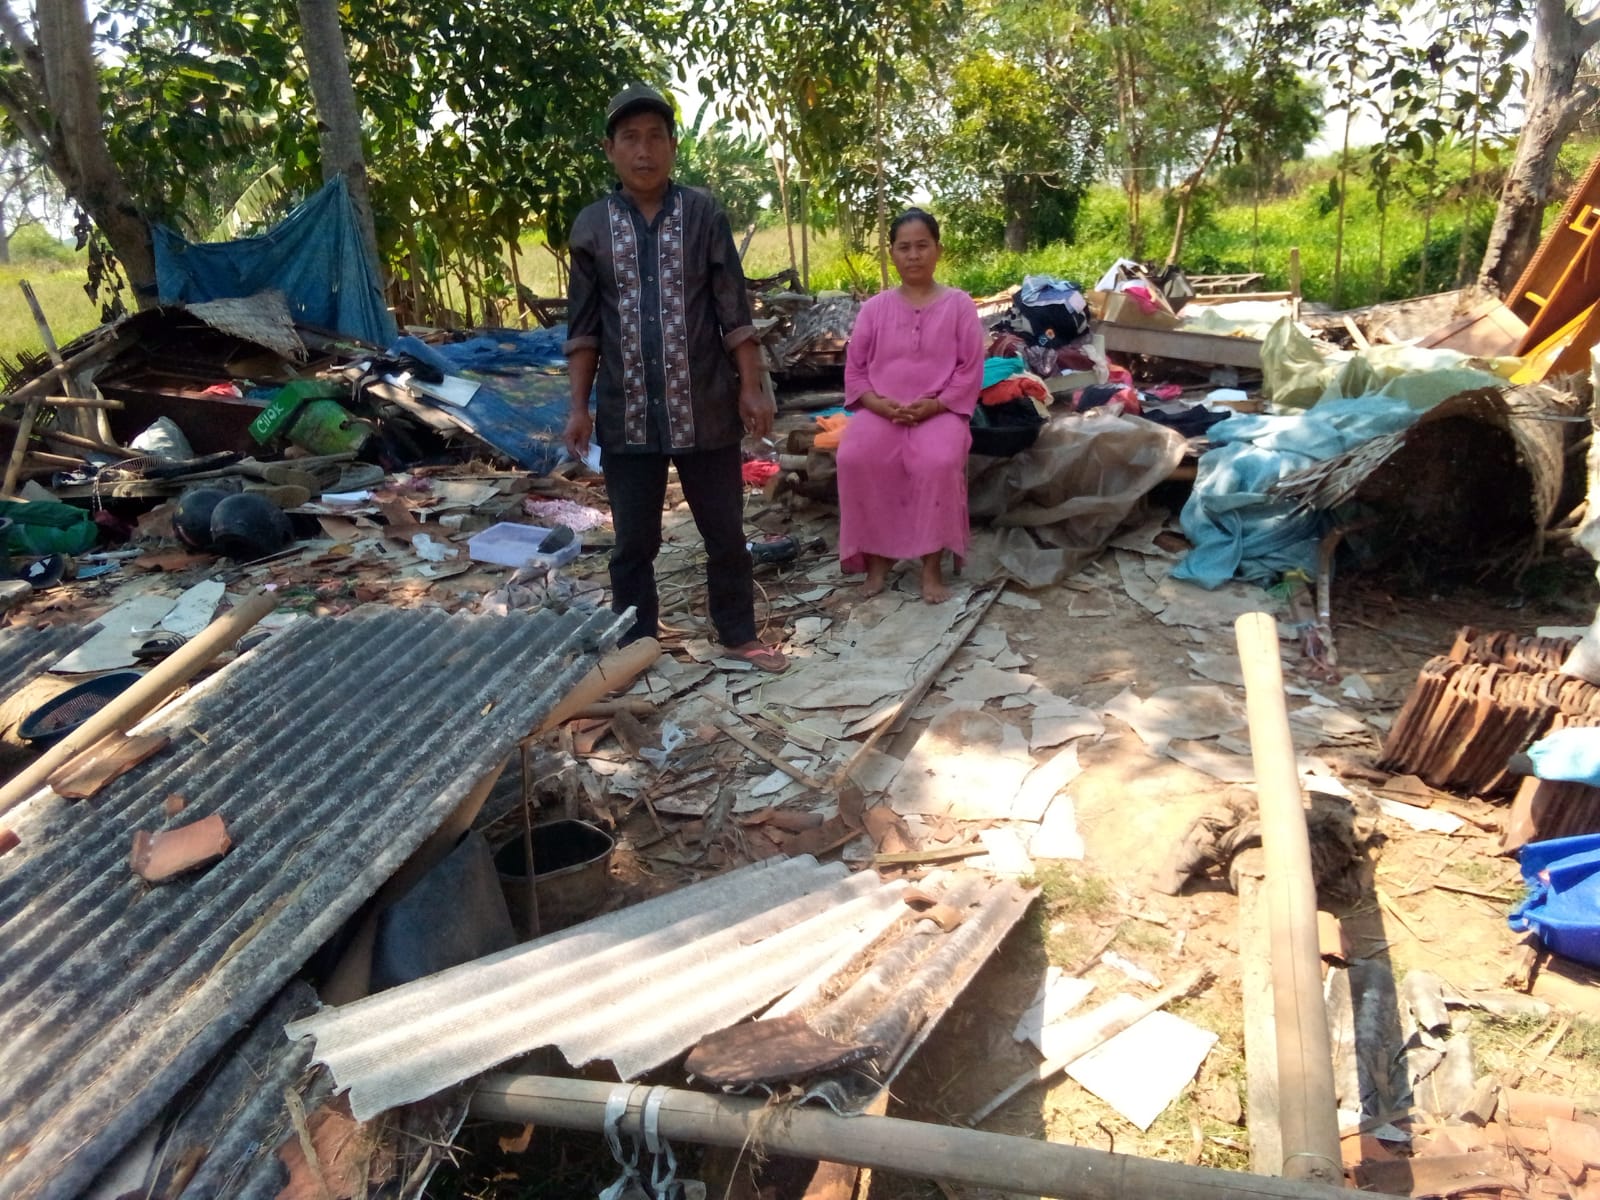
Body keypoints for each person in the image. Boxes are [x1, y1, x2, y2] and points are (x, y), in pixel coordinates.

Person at [563, 84, 786, 671]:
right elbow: (583, 330)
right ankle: (637, 643)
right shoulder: (590, 228)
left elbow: (733, 311)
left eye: (656, 137)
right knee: (634, 542)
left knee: (725, 532)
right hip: (626, 409)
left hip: (706, 405)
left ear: (673, 145)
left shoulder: (704, 214)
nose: (644, 151)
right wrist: (577, 408)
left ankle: (737, 632)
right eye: (631, 139)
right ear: (610, 149)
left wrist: (751, 384)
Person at [837, 209, 984, 604]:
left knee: (935, 463)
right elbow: (855, 372)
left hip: (941, 411)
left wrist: (933, 407)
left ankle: (931, 565)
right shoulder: (874, 309)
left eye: (922, 246)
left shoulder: (959, 305)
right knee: (855, 456)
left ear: (938, 250)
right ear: (892, 254)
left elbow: (970, 370)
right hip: (881, 409)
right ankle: (878, 558)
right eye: (904, 247)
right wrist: (879, 406)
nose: (914, 255)